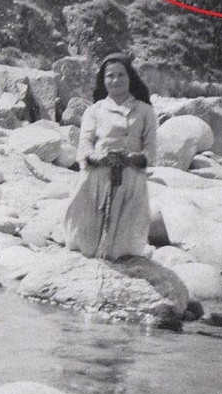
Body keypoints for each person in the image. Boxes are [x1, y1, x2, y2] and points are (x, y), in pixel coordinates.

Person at [62, 52, 158, 261]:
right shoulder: (94, 110)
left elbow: (151, 149)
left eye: (121, 75)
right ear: (103, 80)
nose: (116, 80)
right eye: (110, 76)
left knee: (123, 248)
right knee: (86, 243)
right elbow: (84, 144)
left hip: (131, 179)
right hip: (97, 177)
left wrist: (134, 158)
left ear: (130, 77)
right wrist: (96, 158)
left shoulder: (144, 110)